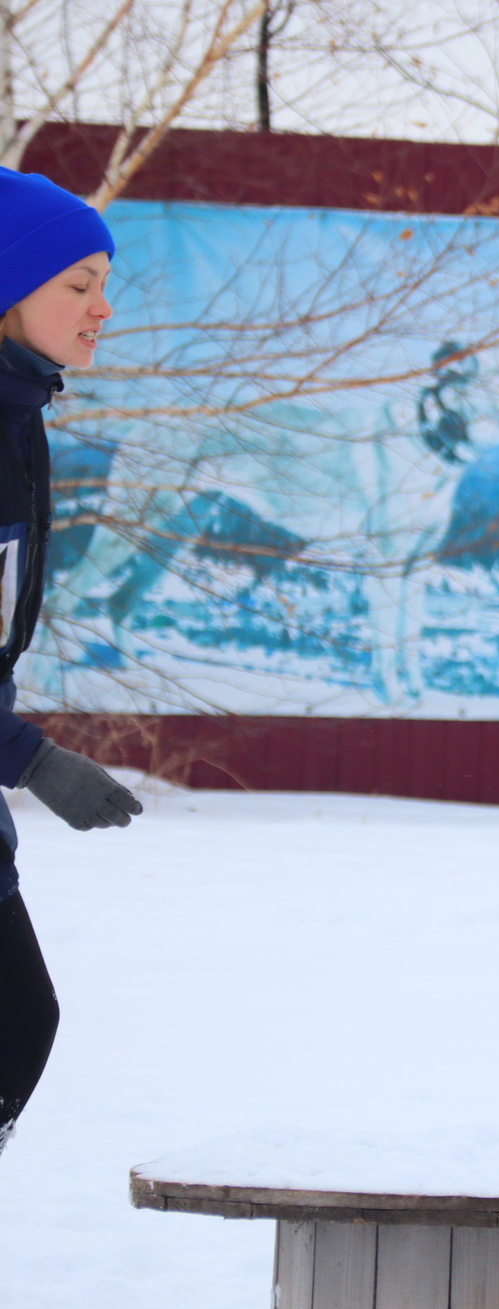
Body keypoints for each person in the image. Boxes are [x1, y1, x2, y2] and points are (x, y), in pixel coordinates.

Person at [0, 168, 146, 1151]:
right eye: (76, 284)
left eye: (102, 281)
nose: (102, 307)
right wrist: (31, 760)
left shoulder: (19, 416)